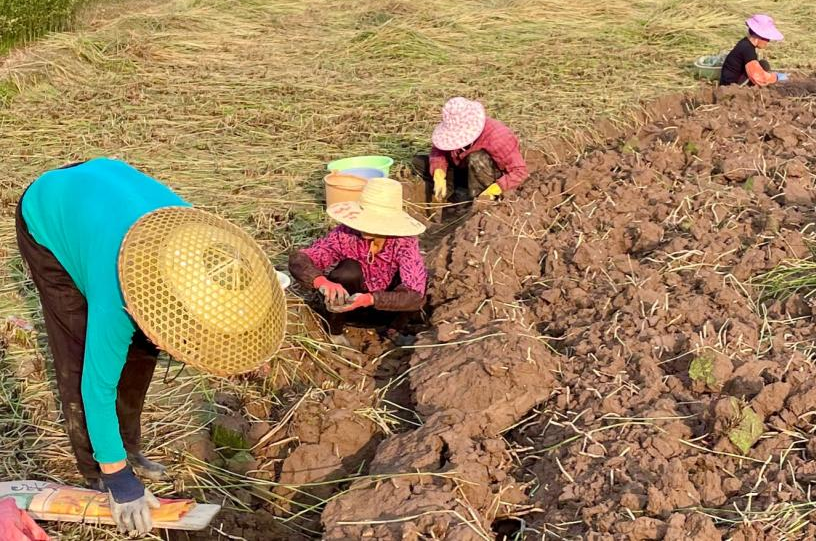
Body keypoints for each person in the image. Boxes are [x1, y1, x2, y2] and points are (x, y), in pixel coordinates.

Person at [15, 158, 284, 537]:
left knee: (143, 350)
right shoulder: (116, 299)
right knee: (79, 359)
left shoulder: (195, 248)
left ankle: (128, 444)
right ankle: (99, 473)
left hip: (107, 185)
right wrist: (119, 479)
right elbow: (97, 387)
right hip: (51, 208)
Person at [289, 178, 429, 336]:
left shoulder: (404, 243)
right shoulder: (346, 234)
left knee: (419, 281)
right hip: (347, 309)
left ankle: (394, 331)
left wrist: (369, 299)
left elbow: (415, 297)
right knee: (348, 270)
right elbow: (299, 260)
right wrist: (322, 282)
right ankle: (335, 332)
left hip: (386, 312)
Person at [419, 98, 529, 205]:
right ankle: (456, 192)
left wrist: (493, 190)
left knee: (476, 158)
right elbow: (438, 150)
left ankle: (472, 201)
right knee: (418, 162)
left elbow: (520, 171)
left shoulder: (498, 137)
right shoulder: (450, 130)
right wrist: (439, 174)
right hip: (463, 169)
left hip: (487, 175)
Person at [719, 14, 789, 87]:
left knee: (763, 64)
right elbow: (758, 77)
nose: (768, 41)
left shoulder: (745, 43)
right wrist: (775, 77)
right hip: (731, 86)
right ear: (759, 36)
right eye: (767, 38)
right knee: (763, 67)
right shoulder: (747, 50)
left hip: (730, 80)